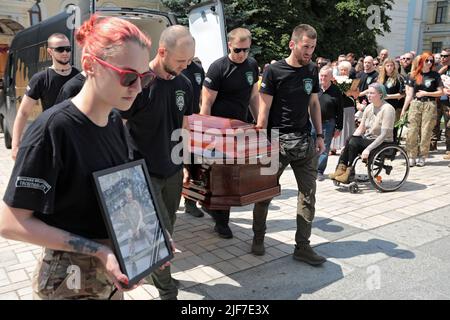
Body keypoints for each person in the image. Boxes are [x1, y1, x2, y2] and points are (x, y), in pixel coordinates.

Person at [0, 15, 158, 300]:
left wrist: (150, 233)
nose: (138, 88)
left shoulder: (113, 121)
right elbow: (10, 223)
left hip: (111, 276)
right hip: (68, 282)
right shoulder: (53, 130)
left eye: (144, 77)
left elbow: (123, 191)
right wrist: (98, 250)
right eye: (128, 77)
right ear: (90, 66)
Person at [120, 25, 195, 300]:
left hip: (173, 170)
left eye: (188, 61)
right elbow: (120, 127)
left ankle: (155, 268)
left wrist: (185, 163)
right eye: (180, 61)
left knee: (169, 225)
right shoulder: (140, 83)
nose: (185, 66)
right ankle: (167, 290)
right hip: (143, 172)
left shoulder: (185, 84)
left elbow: (184, 126)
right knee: (157, 232)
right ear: (162, 52)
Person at [253, 24, 326, 266]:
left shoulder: (312, 69)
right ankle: (258, 237)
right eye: (306, 47)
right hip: (275, 143)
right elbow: (262, 112)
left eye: (313, 48)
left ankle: (302, 247)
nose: (309, 52)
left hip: (304, 142)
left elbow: (313, 103)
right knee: (264, 193)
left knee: (308, 195)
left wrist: (319, 136)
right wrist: (261, 143)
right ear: (292, 44)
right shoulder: (273, 71)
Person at [200, 27, 259, 239]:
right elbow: (206, 103)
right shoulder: (218, 68)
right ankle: (220, 219)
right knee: (218, 175)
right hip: (217, 130)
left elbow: (253, 97)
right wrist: (204, 134)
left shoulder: (252, 66)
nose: (242, 54)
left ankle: (218, 214)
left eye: (246, 50)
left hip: (239, 131)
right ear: (229, 46)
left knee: (231, 177)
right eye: (238, 50)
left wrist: (260, 122)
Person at [11, 33, 80, 160]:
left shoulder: (80, 76)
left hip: (77, 139)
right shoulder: (41, 79)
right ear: (50, 52)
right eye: (60, 49)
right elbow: (23, 112)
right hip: (51, 139)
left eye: (68, 49)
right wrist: (15, 146)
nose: (65, 52)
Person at [330, 83, 395, 183]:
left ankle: (349, 173)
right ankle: (340, 169)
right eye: (368, 93)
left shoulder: (388, 109)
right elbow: (361, 129)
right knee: (350, 139)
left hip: (384, 142)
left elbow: (384, 135)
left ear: (381, 95)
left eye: (372, 93)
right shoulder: (369, 108)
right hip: (369, 138)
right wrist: (346, 145)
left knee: (354, 142)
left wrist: (368, 149)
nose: (368, 95)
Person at [401, 52, 444, 167]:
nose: (429, 63)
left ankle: (423, 156)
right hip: (415, 104)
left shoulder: (435, 75)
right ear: (421, 61)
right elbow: (409, 95)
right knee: (412, 131)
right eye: (427, 60)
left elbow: (441, 92)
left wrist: (427, 93)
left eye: (431, 61)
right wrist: (404, 109)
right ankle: (411, 156)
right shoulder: (413, 75)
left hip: (429, 104)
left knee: (426, 131)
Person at [181, 57, 205, 218]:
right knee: (181, 163)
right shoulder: (176, 67)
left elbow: (203, 95)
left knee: (197, 164)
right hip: (179, 123)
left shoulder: (198, 69)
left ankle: (191, 202)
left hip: (196, 123)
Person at [312, 66, 343, 181]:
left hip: (328, 123)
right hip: (313, 122)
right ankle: (310, 169)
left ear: (331, 77)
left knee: (324, 148)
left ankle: (319, 171)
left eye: (325, 76)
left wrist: (339, 127)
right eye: (321, 75)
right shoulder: (315, 89)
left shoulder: (336, 91)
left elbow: (340, 110)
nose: (323, 78)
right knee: (311, 146)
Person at [330, 60, 358, 154]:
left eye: (345, 70)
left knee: (347, 126)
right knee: (336, 126)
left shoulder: (353, 81)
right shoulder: (334, 81)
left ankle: (345, 146)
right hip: (337, 106)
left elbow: (356, 95)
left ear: (349, 70)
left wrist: (349, 92)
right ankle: (333, 147)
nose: (343, 72)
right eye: (341, 70)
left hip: (348, 106)